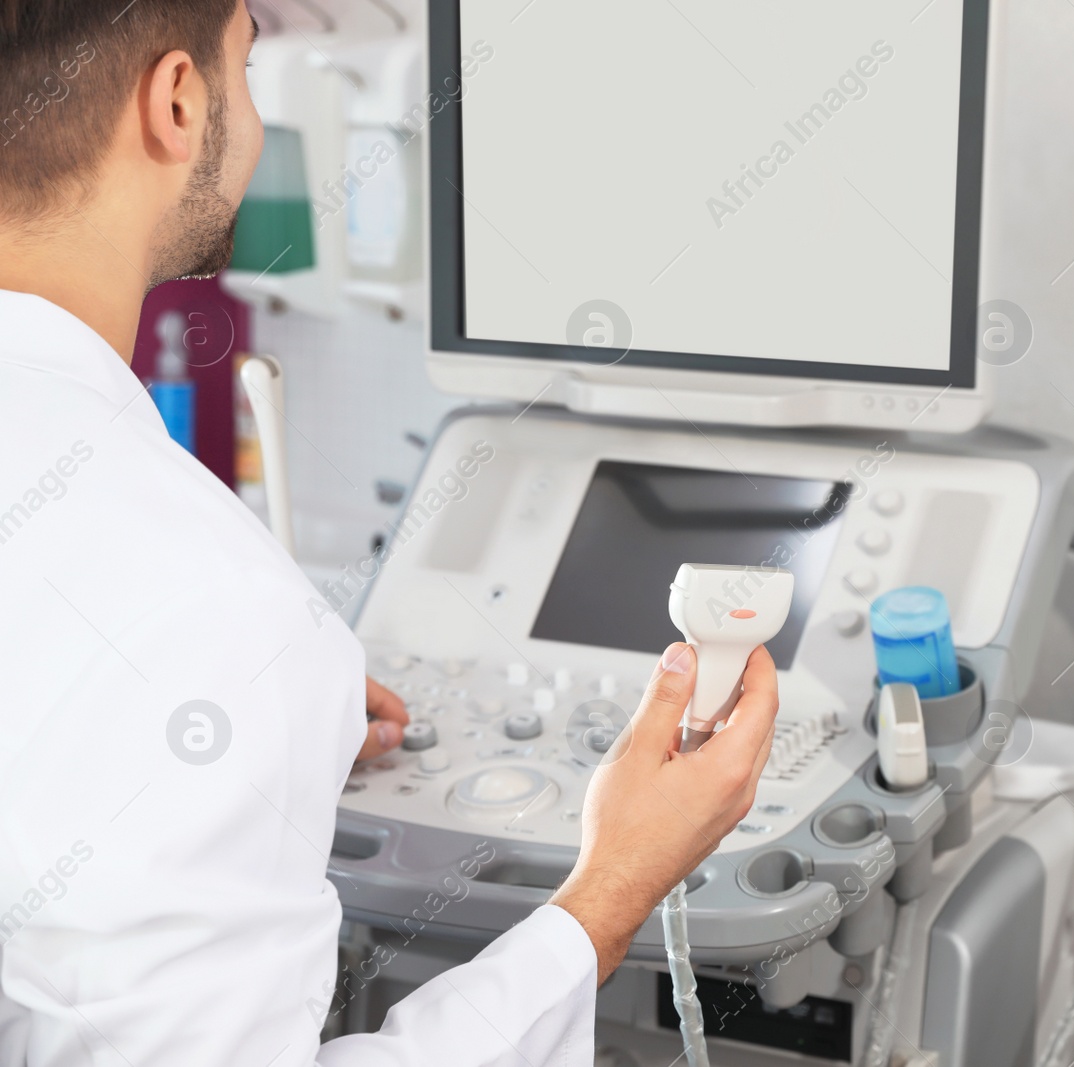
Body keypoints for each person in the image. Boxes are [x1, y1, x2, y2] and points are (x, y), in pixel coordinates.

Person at [0, 1, 779, 1062]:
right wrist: (608, 891)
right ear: (176, 102)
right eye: (249, 65)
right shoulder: (203, 606)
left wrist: (255, 737)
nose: (259, 119)